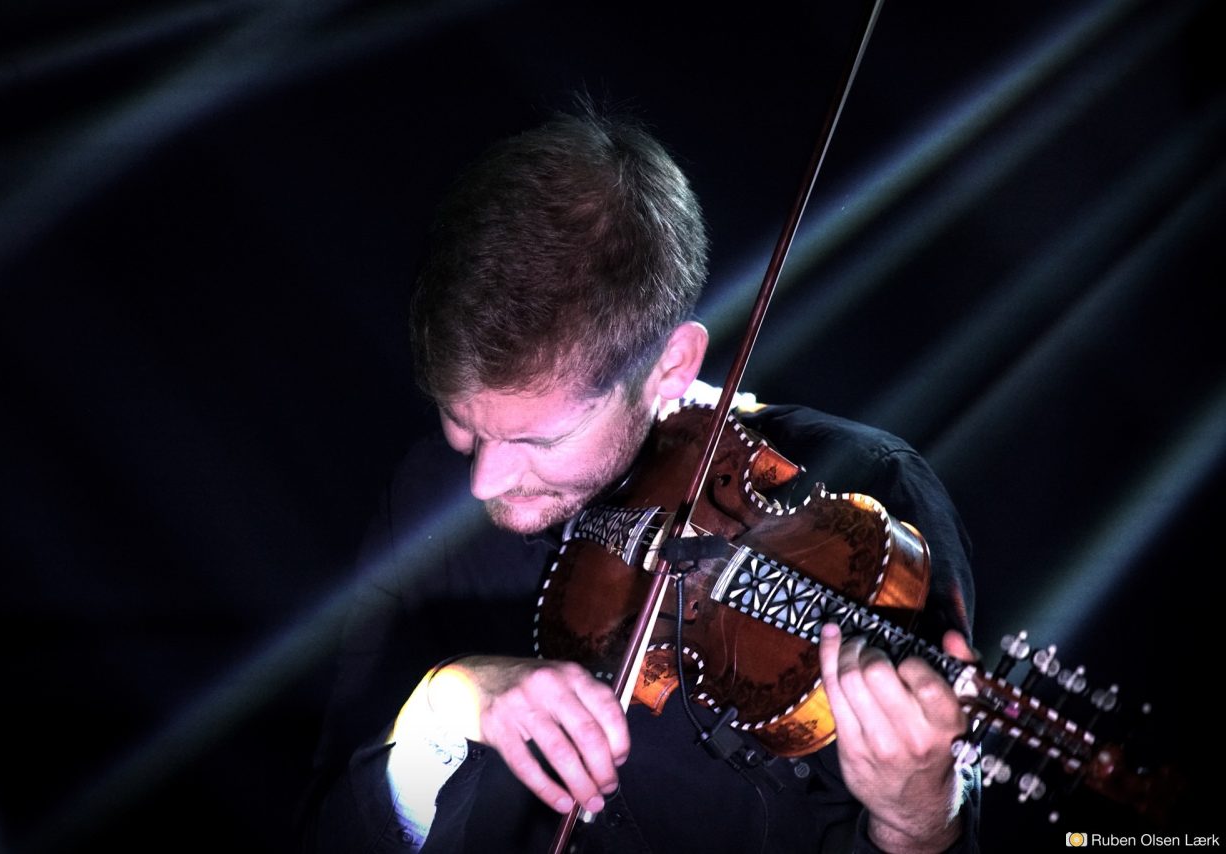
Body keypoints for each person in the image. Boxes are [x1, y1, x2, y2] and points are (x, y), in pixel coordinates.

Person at [301, 106, 978, 853]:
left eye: (540, 437)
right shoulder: (426, 491)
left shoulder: (864, 497)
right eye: (462, 421)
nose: (487, 479)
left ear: (671, 366)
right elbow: (329, 836)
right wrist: (442, 711)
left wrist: (918, 819)